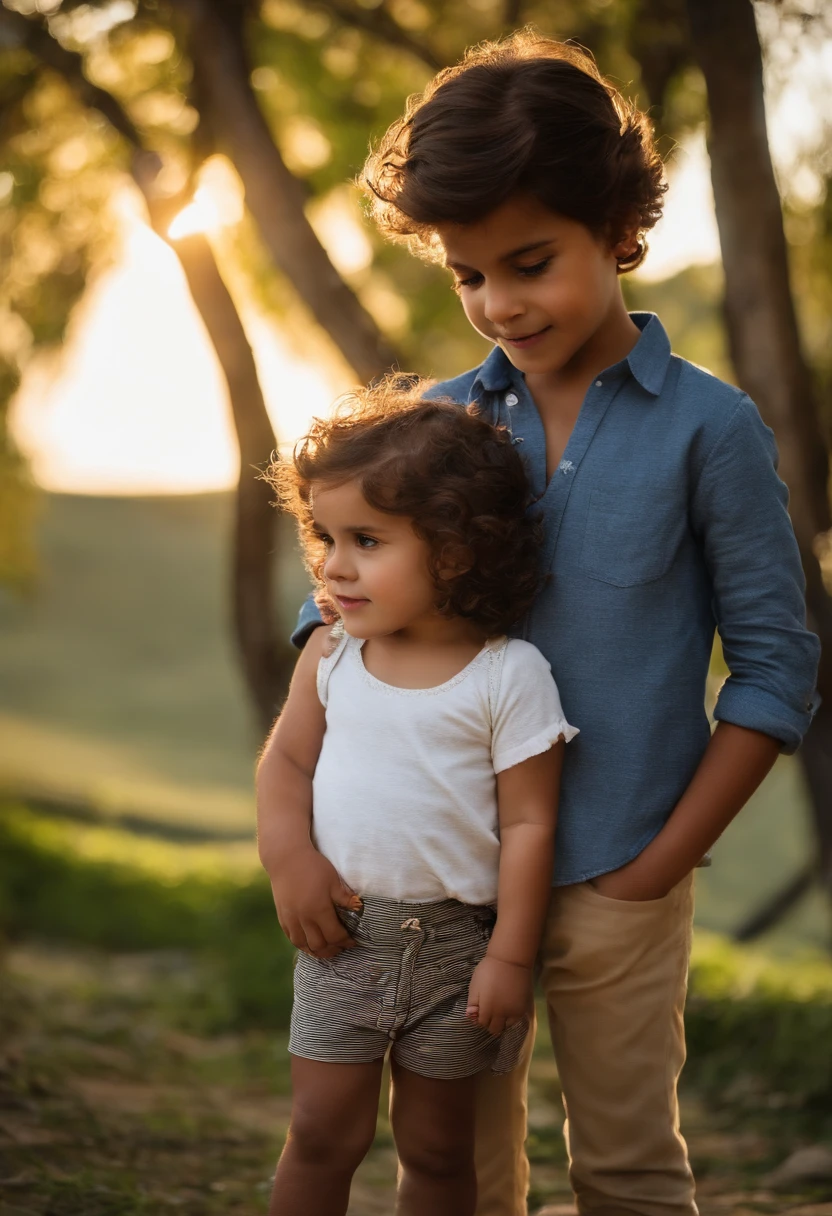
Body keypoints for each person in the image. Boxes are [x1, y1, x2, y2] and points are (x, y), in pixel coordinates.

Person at [270, 31, 822, 1216]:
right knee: (462, 1172)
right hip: (449, 894)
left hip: (621, 870)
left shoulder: (708, 431)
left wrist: (656, 866)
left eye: (528, 263)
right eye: (467, 276)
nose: (496, 304)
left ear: (619, 230)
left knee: (625, 1166)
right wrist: (300, 821)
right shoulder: (438, 427)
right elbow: (327, 616)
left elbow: (776, 671)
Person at [257, 380, 578, 1216]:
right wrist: (288, 857)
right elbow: (286, 764)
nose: (334, 563)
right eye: (326, 536)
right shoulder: (329, 653)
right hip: (344, 937)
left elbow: (531, 822)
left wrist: (511, 957)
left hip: (459, 954)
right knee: (323, 1133)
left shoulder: (510, 676)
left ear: (455, 550)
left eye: (367, 539)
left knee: (439, 1153)